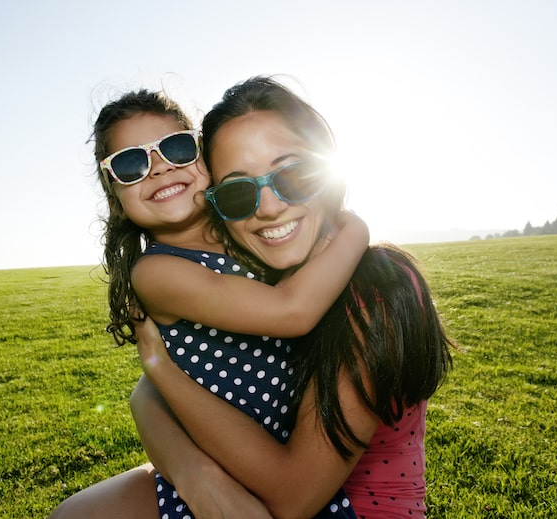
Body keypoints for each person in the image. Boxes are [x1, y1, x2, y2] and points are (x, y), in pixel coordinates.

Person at [131, 76, 455, 519]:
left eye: (294, 174)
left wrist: (162, 373)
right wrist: (191, 471)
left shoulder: (377, 288)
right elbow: (151, 395)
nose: (267, 207)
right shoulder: (261, 279)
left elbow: (291, 499)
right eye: (238, 191)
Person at [49, 86, 369, 519]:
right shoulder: (157, 272)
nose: (159, 169)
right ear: (115, 197)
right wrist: (357, 231)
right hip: (229, 463)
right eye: (131, 163)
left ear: (204, 159)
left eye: (176, 148)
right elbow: (291, 311)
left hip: (290, 457)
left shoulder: (246, 232)